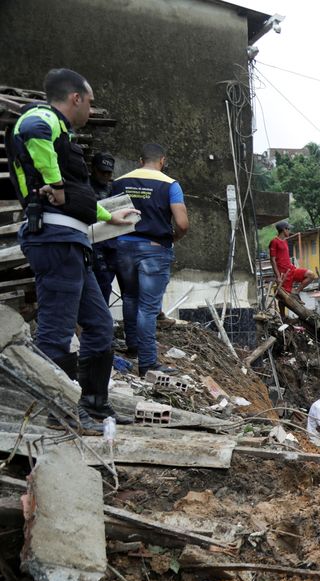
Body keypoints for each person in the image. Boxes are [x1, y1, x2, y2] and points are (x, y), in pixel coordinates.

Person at [9, 69, 139, 431]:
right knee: (56, 332)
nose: (91, 109)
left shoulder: (62, 134)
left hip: (72, 243)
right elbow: (32, 131)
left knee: (99, 326)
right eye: (90, 101)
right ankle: (59, 412)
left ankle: (94, 405)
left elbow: (79, 201)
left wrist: (110, 218)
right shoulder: (42, 118)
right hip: (54, 241)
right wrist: (53, 182)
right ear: (75, 98)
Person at [109, 144, 189, 376]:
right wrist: (173, 237)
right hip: (154, 249)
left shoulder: (120, 182)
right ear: (162, 160)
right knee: (148, 307)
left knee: (130, 298)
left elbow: (109, 215)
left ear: (140, 160)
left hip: (123, 246)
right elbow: (182, 223)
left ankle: (133, 346)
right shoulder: (170, 184)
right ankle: (147, 362)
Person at [88, 152, 119, 303]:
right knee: (101, 283)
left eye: (108, 173)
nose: (105, 176)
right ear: (93, 169)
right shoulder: (85, 187)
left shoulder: (112, 188)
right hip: (92, 242)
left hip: (111, 242)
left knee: (106, 282)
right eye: (102, 172)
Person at [269, 220, 318, 296]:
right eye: (288, 229)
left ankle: (296, 291)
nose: (289, 231)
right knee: (283, 297)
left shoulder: (285, 241)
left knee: (311, 275)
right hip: (283, 274)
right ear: (284, 230)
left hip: (291, 270)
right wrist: (278, 276)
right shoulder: (274, 242)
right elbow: (272, 260)